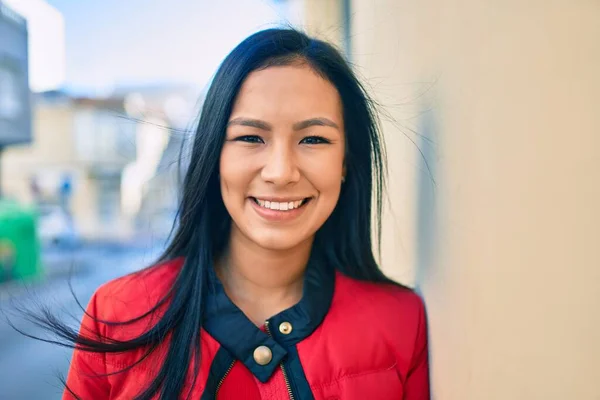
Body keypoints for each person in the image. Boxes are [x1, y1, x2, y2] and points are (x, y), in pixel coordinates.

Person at [57, 28, 429, 399]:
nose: (281, 172)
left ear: (346, 162)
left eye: (314, 139)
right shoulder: (116, 313)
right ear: (215, 155)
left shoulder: (401, 321)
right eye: (251, 137)